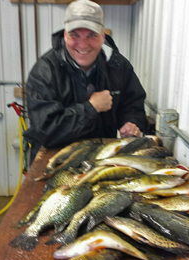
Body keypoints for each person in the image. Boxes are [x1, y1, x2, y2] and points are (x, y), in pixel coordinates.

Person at [24, 0, 148, 165]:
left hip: (100, 159)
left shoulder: (118, 66)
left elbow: (133, 104)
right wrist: (91, 108)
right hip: (54, 161)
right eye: (75, 34)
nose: (83, 44)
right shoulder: (44, 71)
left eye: (91, 35)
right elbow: (47, 131)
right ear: (65, 34)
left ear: (102, 36)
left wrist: (131, 123)